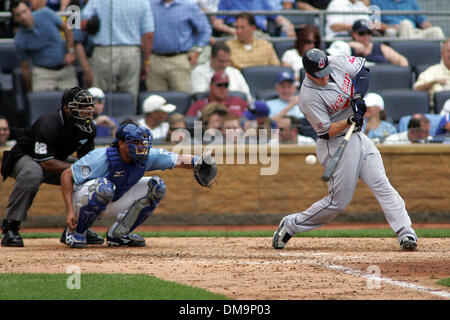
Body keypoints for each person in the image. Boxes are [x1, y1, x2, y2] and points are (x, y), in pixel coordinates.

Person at [272, 48, 418, 251]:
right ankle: (291, 224)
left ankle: (406, 233)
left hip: (358, 137)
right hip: (336, 143)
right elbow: (325, 132)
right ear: (308, 73)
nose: (323, 78)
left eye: (325, 73)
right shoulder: (308, 97)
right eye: (318, 76)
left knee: (382, 184)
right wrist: (349, 119)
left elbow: (363, 71)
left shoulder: (335, 62)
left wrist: (358, 97)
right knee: (338, 203)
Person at [60, 121, 216, 248]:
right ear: (121, 144)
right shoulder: (101, 156)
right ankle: (75, 233)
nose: (141, 146)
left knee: (157, 186)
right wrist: (69, 211)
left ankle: (118, 235)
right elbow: (66, 175)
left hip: (113, 197)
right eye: (136, 142)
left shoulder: (146, 156)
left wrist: (198, 161)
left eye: (143, 142)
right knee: (104, 187)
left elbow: (179, 160)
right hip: (83, 200)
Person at [0, 87, 104, 247]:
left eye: (89, 106)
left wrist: (87, 170)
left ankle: (78, 228)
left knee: (89, 177)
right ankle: (10, 228)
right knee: (33, 173)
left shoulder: (88, 128)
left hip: (55, 159)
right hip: (25, 157)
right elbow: (44, 162)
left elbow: (86, 160)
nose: (87, 110)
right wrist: (77, 167)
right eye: (81, 106)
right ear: (67, 108)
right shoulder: (49, 123)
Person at [81, 0, 154, 109]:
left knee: (99, 98)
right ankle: (126, 125)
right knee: (128, 100)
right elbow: (148, 35)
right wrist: (146, 62)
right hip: (131, 53)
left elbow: (82, 23)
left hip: (104, 51)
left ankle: (99, 124)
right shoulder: (143, 1)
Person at [11, 0, 78, 92]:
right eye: (18, 15)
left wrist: (71, 51)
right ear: (15, 19)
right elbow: (25, 68)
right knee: (41, 100)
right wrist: (29, 91)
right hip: (42, 73)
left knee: (75, 101)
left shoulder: (46, 13)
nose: (23, 17)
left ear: (29, 9)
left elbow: (67, 27)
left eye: (24, 11)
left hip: (65, 67)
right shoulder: (19, 40)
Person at [146, 0, 211, 93]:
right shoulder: (150, 5)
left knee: (184, 98)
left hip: (179, 59)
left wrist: (197, 51)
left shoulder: (188, 6)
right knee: (155, 100)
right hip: (155, 59)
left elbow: (205, 30)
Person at [213, 0, 295, 38]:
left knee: (268, 43)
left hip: (258, 33)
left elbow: (279, 18)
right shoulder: (227, 1)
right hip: (235, 33)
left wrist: (288, 28)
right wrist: (232, 30)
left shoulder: (262, 1)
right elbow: (217, 23)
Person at [371, 0, 445, 39]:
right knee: (406, 24)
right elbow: (373, 24)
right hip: (394, 33)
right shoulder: (376, 1)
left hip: (413, 32)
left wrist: (428, 25)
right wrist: (391, 27)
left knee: (436, 31)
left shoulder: (411, 1)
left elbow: (422, 20)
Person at [413, 38, 450, 106]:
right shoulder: (432, 71)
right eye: (448, 51)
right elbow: (416, 89)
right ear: (442, 54)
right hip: (436, 114)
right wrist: (433, 82)